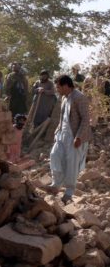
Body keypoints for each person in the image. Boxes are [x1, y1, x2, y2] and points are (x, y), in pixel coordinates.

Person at [45, 75, 90, 204]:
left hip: (74, 136)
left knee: (71, 163)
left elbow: (85, 119)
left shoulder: (79, 97)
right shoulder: (64, 98)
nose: (57, 89)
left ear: (66, 86)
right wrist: (57, 131)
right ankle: (56, 185)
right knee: (55, 155)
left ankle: (69, 193)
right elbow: (63, 118)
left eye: (58, 86)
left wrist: (79, 136)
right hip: (62, 134)